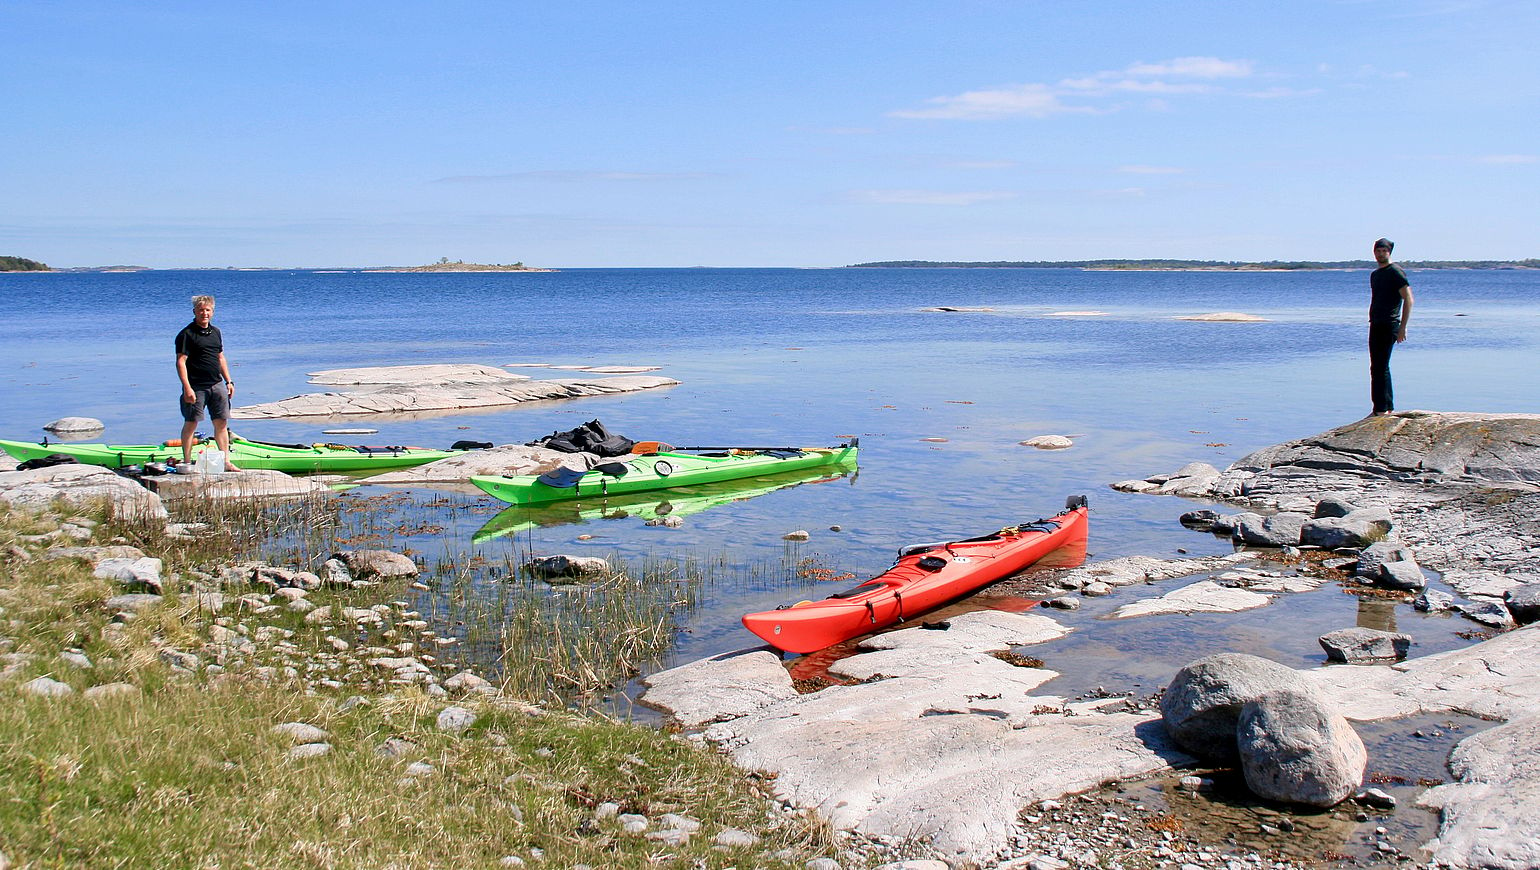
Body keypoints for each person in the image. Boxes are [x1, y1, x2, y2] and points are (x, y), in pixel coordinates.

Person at [174, 294, 242, 470]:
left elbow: (220, 357)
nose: (204, 313)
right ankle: (187, 462)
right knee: (191, 422)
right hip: (196, 387)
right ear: (194, 311)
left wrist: (229, 381)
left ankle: (226, 461)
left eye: (207, 310)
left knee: (221, 422)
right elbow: (181, 362)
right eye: (201, 310)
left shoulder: (216, 332)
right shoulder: (186, 334)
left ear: (212, 312)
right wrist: (187, 387)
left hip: (216, 384)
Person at [1368, 237, 1413, 416]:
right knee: (1376, 366)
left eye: (1384, 251)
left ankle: (1383, 409)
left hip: (1389, 323)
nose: (1380, 254)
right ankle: (1381, 407)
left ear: (1389, 252)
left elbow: (1408, 298)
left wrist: (1403, 327)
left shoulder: (1395, 272)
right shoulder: (1376, 274)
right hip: (1376, 323)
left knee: (1381, 365)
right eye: (1378, 251)